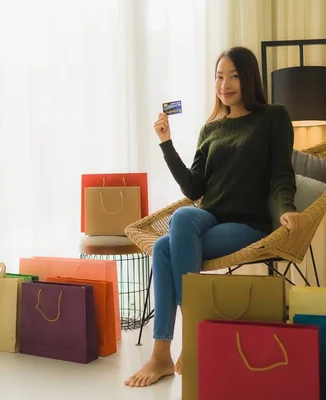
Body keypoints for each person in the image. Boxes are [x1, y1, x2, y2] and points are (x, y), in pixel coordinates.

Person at [124, 46, 303, 388]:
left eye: (234, 76)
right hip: (209, 218)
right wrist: (166, 143)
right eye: (219, 76)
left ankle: (183, 342)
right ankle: (164, 352)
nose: (225, 84)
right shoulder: (211, 129)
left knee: (164, 248)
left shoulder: (273, 117)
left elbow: (282, 173)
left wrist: (288, 208)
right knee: (182, 221)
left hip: (247, 224)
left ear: (249, 78)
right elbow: (194, 189)